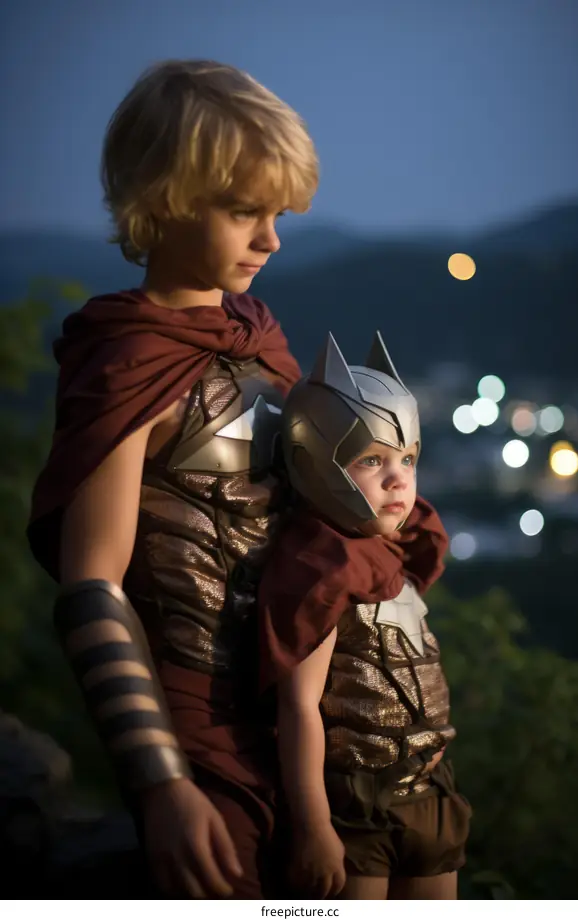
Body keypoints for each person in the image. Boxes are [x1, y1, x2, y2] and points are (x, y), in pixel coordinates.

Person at [26, 58, 318, 899]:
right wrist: (161, 784)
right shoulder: (129, 363)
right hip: (196, 718)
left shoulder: (259, 340)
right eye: (243, 213)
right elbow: (93, 585)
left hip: (300, 701)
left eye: (276, 215)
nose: (270, 239)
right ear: (164, 201)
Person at [259, 333, 471, 900]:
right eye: (372, 460)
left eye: (407, 459)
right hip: (356, 798)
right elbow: (299, 705)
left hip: (427, 787)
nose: (399, 479)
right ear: (312, 462)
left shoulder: (391, 557)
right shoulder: (321, 571)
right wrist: (314, 825)